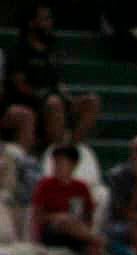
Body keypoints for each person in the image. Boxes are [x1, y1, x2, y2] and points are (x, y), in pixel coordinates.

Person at [3, 4, 99, 148]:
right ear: (32, 23)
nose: (49, 24)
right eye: (45, 19)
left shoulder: (52, 51)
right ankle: (55, 151)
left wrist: (68, 98)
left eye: (50, 19)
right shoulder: (19, 50)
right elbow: (19, 84)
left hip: (53, 98)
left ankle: (70, 148)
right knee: (54, 103)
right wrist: (43, 95)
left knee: (91, 101)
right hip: (31, 102)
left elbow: (57, 82)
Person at [30, 144, 100, 255]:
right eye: (55, 163)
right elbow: (37, 216)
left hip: (76, 233)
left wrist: (77, 222)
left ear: (73, 165)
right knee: (63, 223)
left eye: (60, 163)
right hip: (51, 232)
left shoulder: (81, 187)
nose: (56, 167)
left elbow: (88, 216)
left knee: (88, 246)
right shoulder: (45, 185)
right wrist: (56, 216)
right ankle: (96, 239)